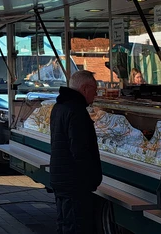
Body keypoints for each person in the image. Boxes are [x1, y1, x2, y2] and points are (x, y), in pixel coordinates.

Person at [50, 70, 102, 234]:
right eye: (95, 89)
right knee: (76, 227)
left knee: (65, 224)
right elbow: (79, 150)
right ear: (85, 88)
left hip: (61, 178)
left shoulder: (59, 107)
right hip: (75, 183)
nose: (96, 94)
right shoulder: (76, 111)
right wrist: (90, 178)